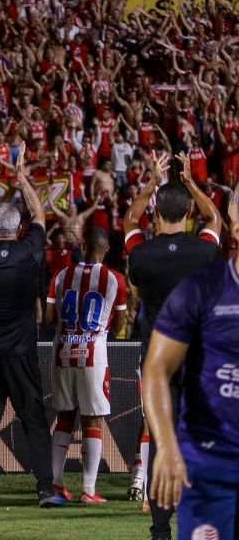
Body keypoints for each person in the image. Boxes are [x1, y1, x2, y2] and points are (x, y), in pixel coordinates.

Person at [125, 153, 221, 540]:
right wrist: (192, 183)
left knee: (162, 443)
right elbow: (215, 218)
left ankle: (161, 529)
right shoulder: (204, 251)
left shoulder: (141, 254)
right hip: (197, 360)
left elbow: (130, 221)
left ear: (155, 212)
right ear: (188, 213)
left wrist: (152, 181)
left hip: (157, 364)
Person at [0, 147, 65, 508]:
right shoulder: (29, 252)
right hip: (21, 352)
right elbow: (39, 214)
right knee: (33, 419)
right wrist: (21, 178)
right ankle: (45, 489)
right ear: (19, 229)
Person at [143, 192, 239, 540]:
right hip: (212, 460)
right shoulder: (200, 290)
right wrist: (167, 447)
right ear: (237, 230)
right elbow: (156, 369)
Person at [47, 227, 127, 503]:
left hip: (62, 351)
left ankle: (56, 484)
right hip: (93, 355)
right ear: (107, 250)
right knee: (93, 419)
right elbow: (119, 324)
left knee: (64, 418)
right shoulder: (115, 279)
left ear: (83, 246)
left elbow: (49, 317)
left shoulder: (61, 275)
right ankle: (89, 490)